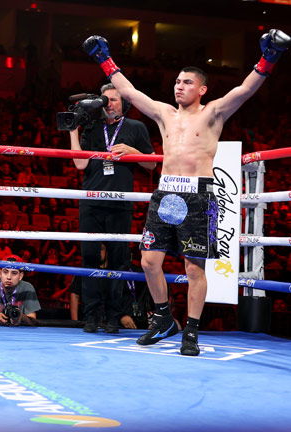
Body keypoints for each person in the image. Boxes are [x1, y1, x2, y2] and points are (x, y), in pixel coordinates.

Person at [82, 29, 290, 355]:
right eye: (177, 81)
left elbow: (245, 89)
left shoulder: (213, 113)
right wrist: (103, 59)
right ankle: (164, 317)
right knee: (149, 262)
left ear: (202, 89)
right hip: (165, 193)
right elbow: (129, 91)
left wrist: (269, 57)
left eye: (187, 82)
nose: (179, 86)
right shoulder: (164, 114)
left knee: (194, 268)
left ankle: (190, 331)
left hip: (198, 196)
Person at [69, 83, 155, 334]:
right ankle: (92, 315)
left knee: (119, 261)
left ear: (124, 103)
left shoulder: (135, 128)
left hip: (120, 204)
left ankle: (114, 317)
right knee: (90, 259)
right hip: (91, 202)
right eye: (105, 99)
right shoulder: (92, 127)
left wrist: (132, 152)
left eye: (114, 100)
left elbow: (150, 166)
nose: (109, 104)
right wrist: (73, 131)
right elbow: (79, 164)